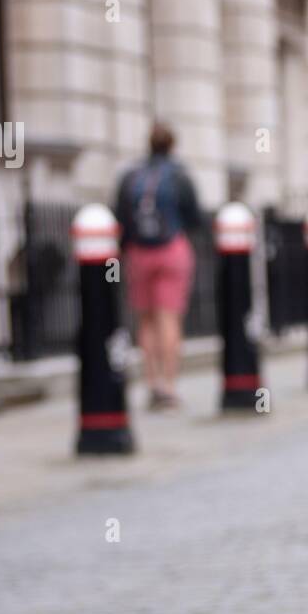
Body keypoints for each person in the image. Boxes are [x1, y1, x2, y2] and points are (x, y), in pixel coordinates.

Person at [114, 123, 203, 410]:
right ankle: (169, 385)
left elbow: (120, 217)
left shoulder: (131, 176)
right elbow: (194, 216)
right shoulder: (178, 176)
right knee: (169, 318)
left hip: (139, 253)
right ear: (171, 145)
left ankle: (152, 384)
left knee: (146, 320)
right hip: (171, 249)